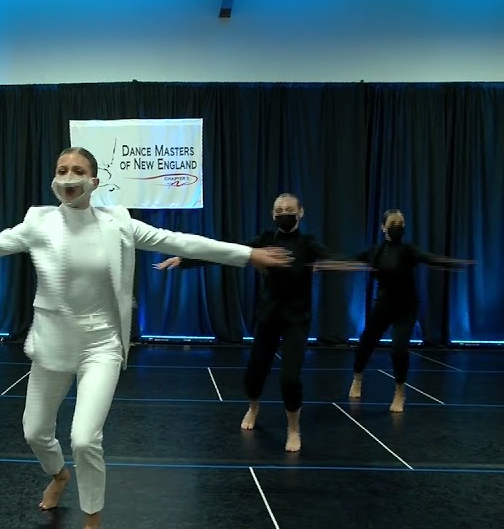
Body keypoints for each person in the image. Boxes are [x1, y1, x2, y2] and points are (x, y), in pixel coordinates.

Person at [0, 147, 293, 529]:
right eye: (62, 169)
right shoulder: (37, 223)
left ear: (94, 181)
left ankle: (92, 520)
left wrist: (248, 255)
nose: (68, 176)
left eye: (77, 170)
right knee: (35, 432)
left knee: (84, 438)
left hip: (101, 344)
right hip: (53, 344)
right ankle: (59, 475)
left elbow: (181, 241)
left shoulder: (119, 223)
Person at [154, 193, 367, 452]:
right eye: (279, 210)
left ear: (300, 213)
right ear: (272, 214)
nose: (284, 213)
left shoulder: (308, 243)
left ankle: (293, 429)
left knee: (290, 378)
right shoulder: (265, 241)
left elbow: (333, 256)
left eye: (289, 209)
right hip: (268, 317)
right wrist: (184, 261)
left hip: (297, 319)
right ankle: (253, 407)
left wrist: (353, 264)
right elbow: (227, 252)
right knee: (255, 372)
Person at [348, 209, 475, 412]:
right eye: (393, 223)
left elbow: (429, 258)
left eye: (400, 224)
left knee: (399, 349)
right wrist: (327, 263)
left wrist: (453, 263)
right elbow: (350, 259)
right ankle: (357, 378)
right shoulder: (375, 251)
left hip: (406, 307)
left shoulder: (408, 250)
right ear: (383, 227)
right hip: (383, 305)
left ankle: (400, 392)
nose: (397, 227)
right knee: (365, 344)